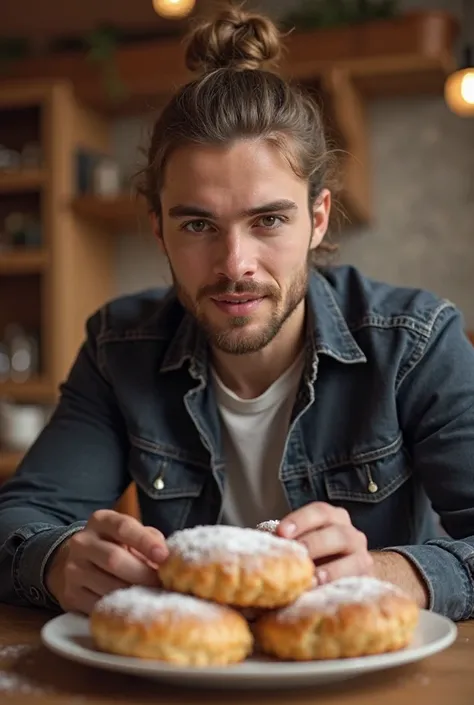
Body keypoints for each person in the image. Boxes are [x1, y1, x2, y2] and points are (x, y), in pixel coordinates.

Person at [1, 5, 474, 622]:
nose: (235, 264)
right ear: (159, 230)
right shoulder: (121, 346)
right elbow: (18, 518)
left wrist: (390, 572)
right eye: (198, 224)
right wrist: (60, 558)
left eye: (269, 220)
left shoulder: (416, 342)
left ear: (319, 218)